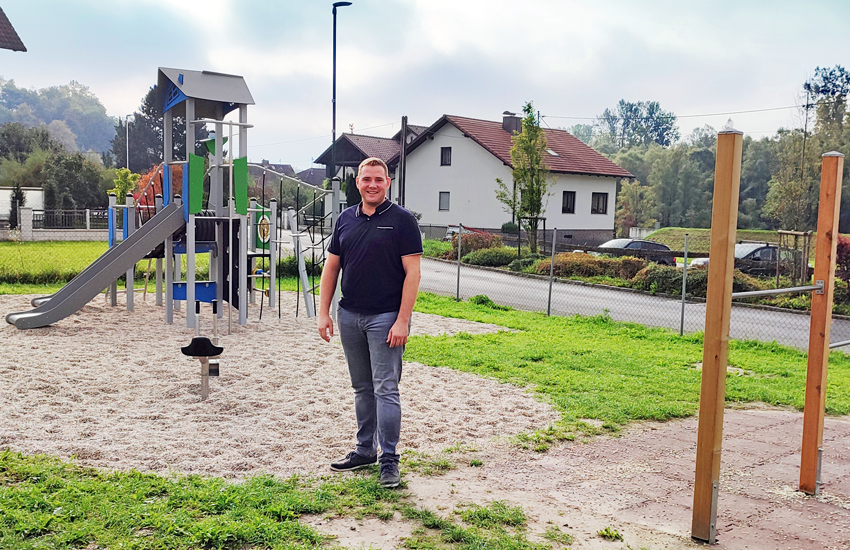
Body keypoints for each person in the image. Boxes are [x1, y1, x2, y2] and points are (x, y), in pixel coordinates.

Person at [317, 157, 422, 488]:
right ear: (357, 182)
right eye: (366, 179)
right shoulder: (345, 219)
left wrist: (403, 320)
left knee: (386, 389)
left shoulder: (403, 221)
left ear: (387, 182)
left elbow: (413, 273)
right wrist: (323, 313)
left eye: (378, 179)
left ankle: (389, 459)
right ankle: (365, 451)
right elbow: (332, 267)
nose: (372, 185)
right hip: (349, 315)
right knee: (362, 388)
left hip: (386, 318)